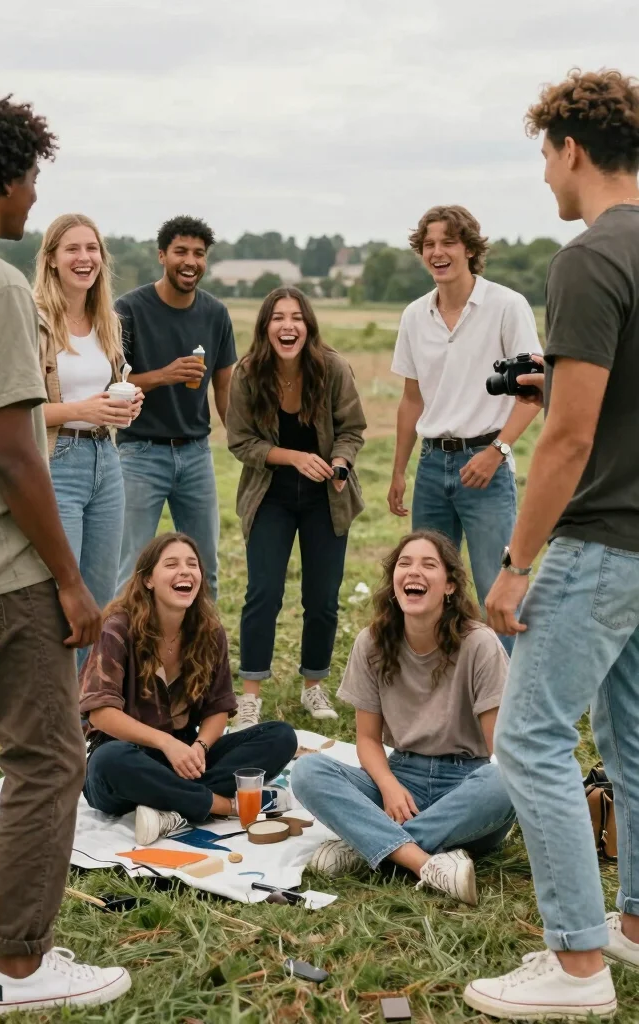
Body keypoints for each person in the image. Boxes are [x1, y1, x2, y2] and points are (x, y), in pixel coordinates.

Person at [0, 91, 130, 1013]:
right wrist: (70, 579)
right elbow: (14, 452)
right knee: (49, 759)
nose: (35, 194)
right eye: (32, 177)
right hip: (0, 572)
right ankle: (21, 966)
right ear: (6, 179)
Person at [463, 69, 639, 1022]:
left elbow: (566, 440)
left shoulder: (588, 258)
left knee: (529, 741)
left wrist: (516, 563)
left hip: (600, 540)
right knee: (633, 739)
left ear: (572, 149)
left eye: (544, 155)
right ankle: (634, 924)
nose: (543, 175)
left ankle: (577, 966)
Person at [291, 530, 515, 905]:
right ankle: (424, 862)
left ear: (449, 585)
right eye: (405, 563)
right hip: (399, 778)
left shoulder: (479, 643)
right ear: (394, 581)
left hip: (464, 785)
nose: (414, 571)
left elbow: (501, 749)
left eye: (429, 564)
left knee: (508, 779)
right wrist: (389, 786)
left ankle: (369, 846)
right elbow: (367, 739)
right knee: (308, 771)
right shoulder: (371, 642)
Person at [388, 204, 543, 654]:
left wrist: (497, 451)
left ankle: (506, 690)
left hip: (487, 465)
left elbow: (533, 392)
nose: (437, 252)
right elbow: (411, 399)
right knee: (425, 588)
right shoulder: (414, 315)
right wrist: (399, 471)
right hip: (431, 465)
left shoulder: (507, 306)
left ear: (470, 249)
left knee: (498, 590)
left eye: (448, 243)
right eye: (429, 245)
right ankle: (437, 681)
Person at [80, 532, 298, 844]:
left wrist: (200, 747)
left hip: (185, 756)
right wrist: (166, 744)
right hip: (127, 757)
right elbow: (101, 713)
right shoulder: (117, 627)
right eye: (171, 564)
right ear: (148, 580)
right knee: (108, 761)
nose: (185, 571)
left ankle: (171, 808)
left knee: (280, 736)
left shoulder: (209, 631)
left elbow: (218, 709)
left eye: (192, 564)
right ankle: (222, 805)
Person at [226, 287, 367, 728]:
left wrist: (340, 463)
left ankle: (314, 685)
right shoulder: (247, 374)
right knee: (263, 593)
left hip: (327, 497)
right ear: (265, 327)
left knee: (322, 598)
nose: (288, 326)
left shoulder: (333, 368)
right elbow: (241, 442)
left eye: (296, 318)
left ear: (308, 326)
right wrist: (294, 457)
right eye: (278, 318)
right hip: (270, 495)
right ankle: (250, 695)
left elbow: (352, 430)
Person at [34, 214, 143, 667]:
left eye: (92, 248)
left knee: (99, 597)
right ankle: (56, 704)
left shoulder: (107, 321)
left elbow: (106, 392)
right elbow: (17, 413)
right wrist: (82, 410)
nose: (85, 258)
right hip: (58, 462)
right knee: (62, 596)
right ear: (51, 260)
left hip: (106, 459)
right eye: (72, 249)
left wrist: (126, 404)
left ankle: (86, 702)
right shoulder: (34, 321)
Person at [115, 216, 237, 600]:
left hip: (196, 454)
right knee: (130, 569)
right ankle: (120, 640)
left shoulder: (216, 314)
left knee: (205, 568)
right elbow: (113, 385)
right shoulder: (129, 309)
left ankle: (203, 641)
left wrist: (243, 442)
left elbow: (225, 387)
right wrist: (164, 375)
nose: (190, 261)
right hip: (139, 453)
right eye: (181, 251)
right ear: (161, 256)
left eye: (199, 254)